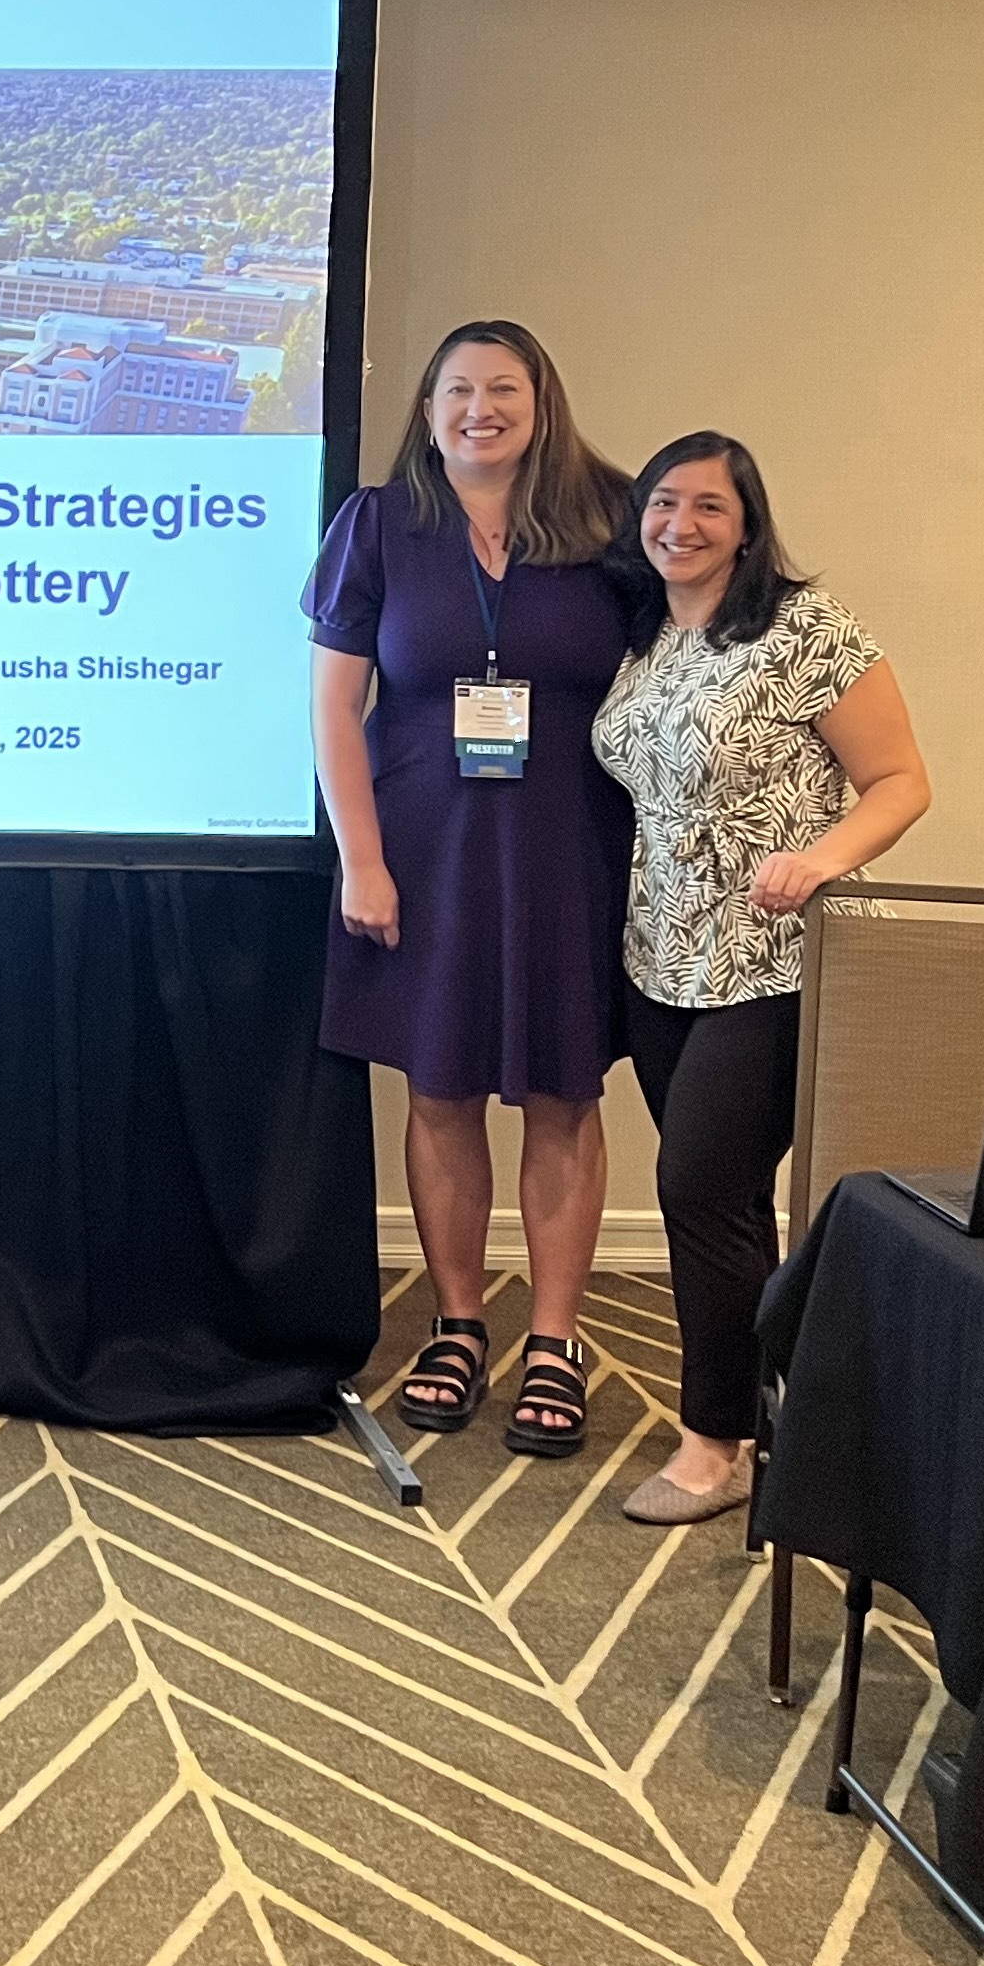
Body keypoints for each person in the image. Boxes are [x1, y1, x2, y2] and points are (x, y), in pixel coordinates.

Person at [307, 320, 638, 1459]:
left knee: (563, 1092)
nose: (479, 408)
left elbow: (694, 660)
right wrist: (362, 856)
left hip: (571, 848)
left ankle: (554, 1338)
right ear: (429, 404)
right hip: (422, 848)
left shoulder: (613, 518)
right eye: (458, 389)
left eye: (504, 388)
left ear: (543, 401)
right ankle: (457, 1324)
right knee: (441, 1090)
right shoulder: (380, 524)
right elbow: (333, 709)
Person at [590, 432, 931, 1527]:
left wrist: (822, 859)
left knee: (697, 1188)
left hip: (773, 959)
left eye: (707, 508)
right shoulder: (644, 636)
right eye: (662, 504)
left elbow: (900, 779)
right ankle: (783, 1406)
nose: (679, 525)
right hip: (658, 956)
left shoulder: (804, 630)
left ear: (748, 524)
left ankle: (713, 1442)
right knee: (725, 1202)